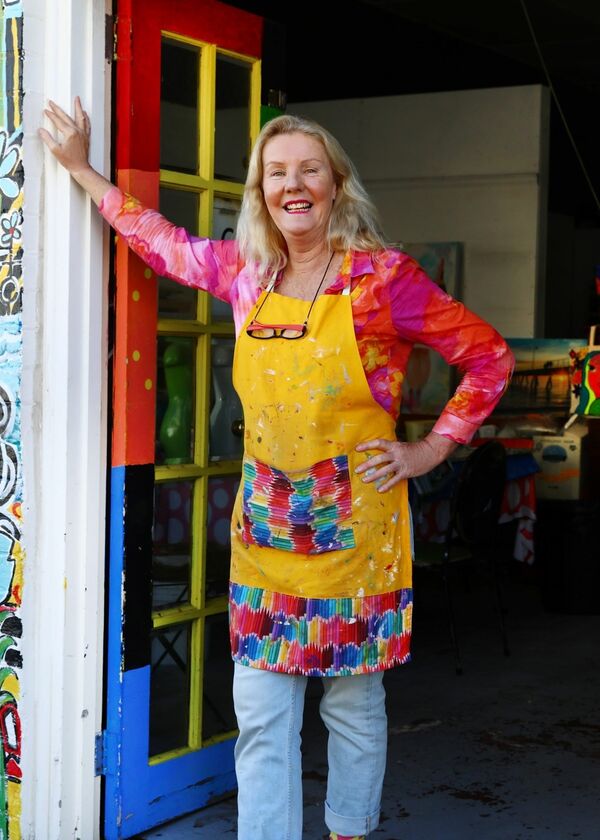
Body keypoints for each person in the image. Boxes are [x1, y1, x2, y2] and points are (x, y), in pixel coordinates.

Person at [40, 98, 514, 840]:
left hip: (359, 528)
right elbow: (161, 244)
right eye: (275, 173)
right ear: (260, 191)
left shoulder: (381, 280)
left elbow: (488, 355)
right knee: (261, 716)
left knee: (352, 707)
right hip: (266, 529)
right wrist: (80, 170)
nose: (293, 185)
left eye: (309, 171)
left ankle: (348, 833)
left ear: (337, 183)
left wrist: (430, 449)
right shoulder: (244, 274)